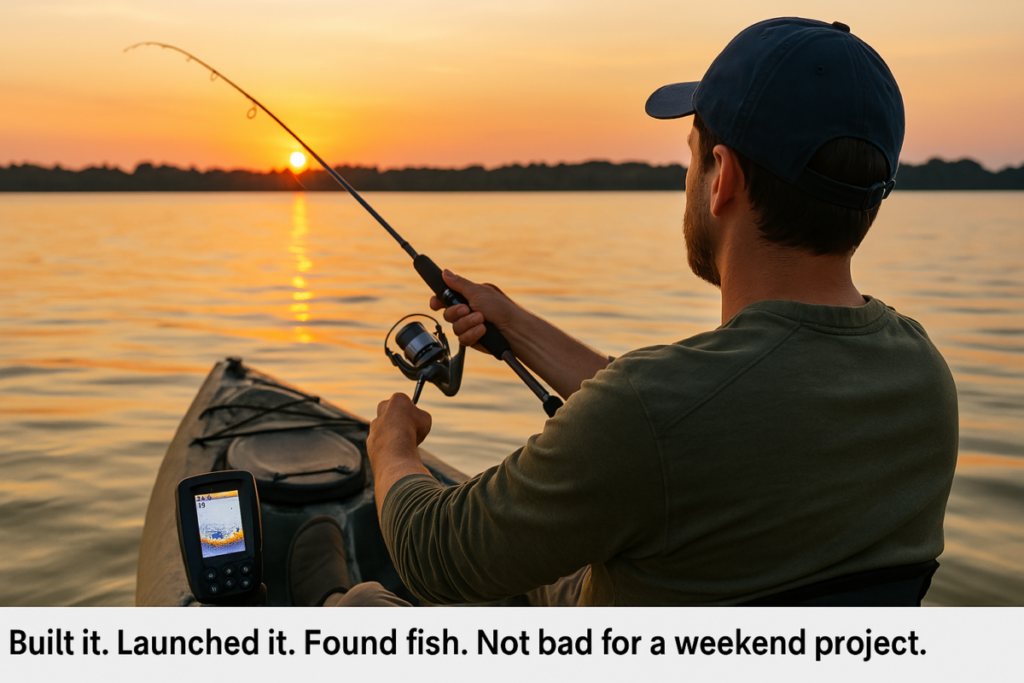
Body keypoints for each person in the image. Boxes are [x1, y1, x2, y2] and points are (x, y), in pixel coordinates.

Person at [289, 17, 958, 607]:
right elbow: (692, 424)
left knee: (362, 609)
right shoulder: (921, 372)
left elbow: (436, 554)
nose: (688, 177)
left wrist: (391, 446)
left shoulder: (653, 409)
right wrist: (512, 323)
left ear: (722, 176)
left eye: (691, 156)